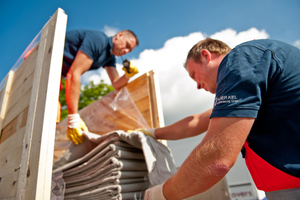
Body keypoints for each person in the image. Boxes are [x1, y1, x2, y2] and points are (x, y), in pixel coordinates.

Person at [141, 38, 300, 200]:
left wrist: (159, 194)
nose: (197, 85)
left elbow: (216, 161)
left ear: (205, 55)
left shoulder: (241, 59)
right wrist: (151, 132)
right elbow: (196, 122)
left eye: (194, 75)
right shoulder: (251, 83)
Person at [62, 29, 139, 145]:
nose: (126, 51)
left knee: (54, 112)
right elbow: (73, 74)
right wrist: (73, 119)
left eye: (129, 50)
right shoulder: (98, 41)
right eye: (127, 45)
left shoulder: (109, 57)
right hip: (39, 57)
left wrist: (128, 75)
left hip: (53, 72)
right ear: (120, 35)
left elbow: (116, 83)